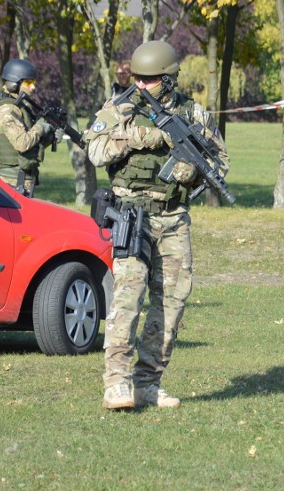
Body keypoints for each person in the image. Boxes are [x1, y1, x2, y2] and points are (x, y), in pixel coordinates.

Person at [84, 40, 230, 410]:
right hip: (131, 214)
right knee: (128, 297)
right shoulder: (119, 108)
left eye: (150, 79)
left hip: (173, 217)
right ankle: (116, 383)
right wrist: (147, 137)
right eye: (139, 78)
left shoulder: (193, 114)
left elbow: (219, 162)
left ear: (168, 80)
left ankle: (147, 382)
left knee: (173, 301)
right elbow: (96, 151)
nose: (142, 84)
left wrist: (191, 172)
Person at [0, 59, 56, 196]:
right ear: (14, 84)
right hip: (12, 182)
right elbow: (22, 143)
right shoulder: (7, 110)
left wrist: (49, 137)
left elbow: (30, 146)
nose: (33, 87)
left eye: (34, 83)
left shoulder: (19, 107)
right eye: (29, 83)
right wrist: (40, 127)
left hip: (22, 179)